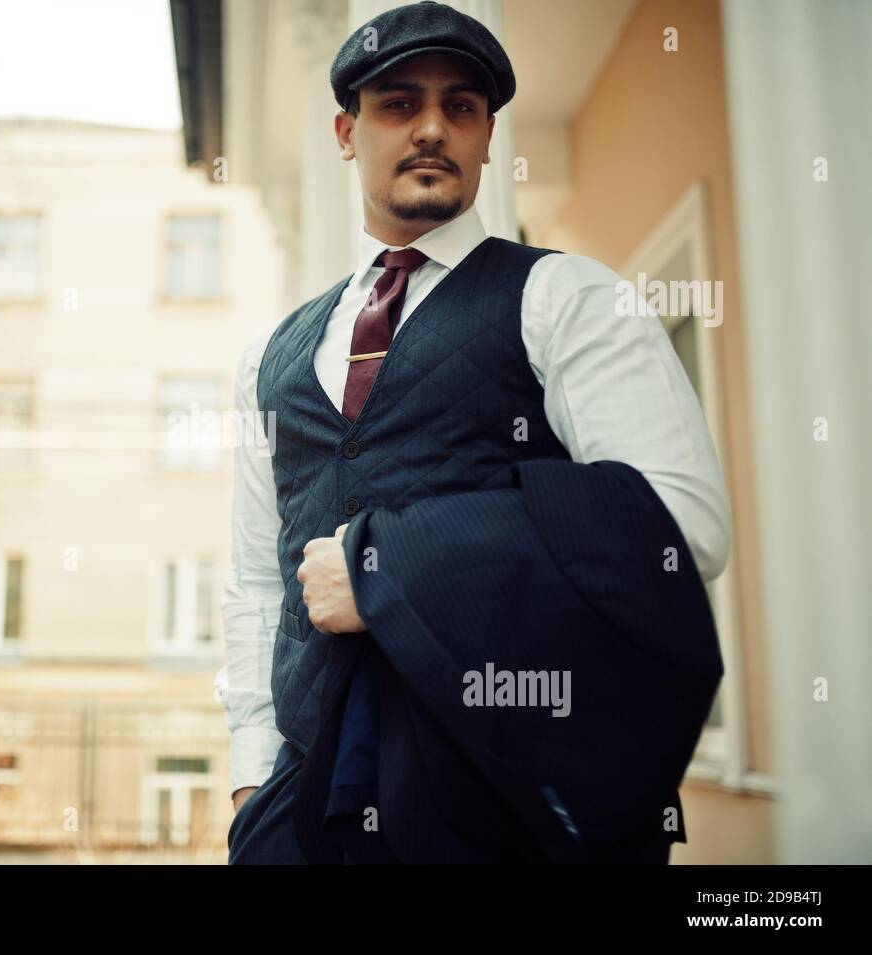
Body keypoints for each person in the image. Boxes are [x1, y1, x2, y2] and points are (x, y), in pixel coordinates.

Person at [215, 0, 730, 864]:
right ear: (346, 132)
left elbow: (682, 527)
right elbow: (254, 585)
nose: (430, 127)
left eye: (461, 106)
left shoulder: (569, 298)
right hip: (306, 809)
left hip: (507, 804)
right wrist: (248, 782)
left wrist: (391, 561)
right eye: (397, 103)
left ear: (490, 135)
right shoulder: (270, 356)